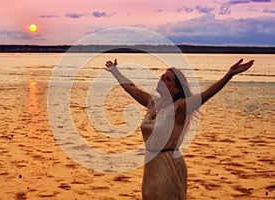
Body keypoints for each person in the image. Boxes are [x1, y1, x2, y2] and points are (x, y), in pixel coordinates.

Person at [105, 58, 254, 200]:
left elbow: (206, 95)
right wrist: (115, 71)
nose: (161, 78)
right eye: (162, 76)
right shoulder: (153, 102)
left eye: (167, 79)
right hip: (151, 165)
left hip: (168, 165)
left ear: (176, 89)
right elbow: (130, 87)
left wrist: (229, 75)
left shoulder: (180, 107)